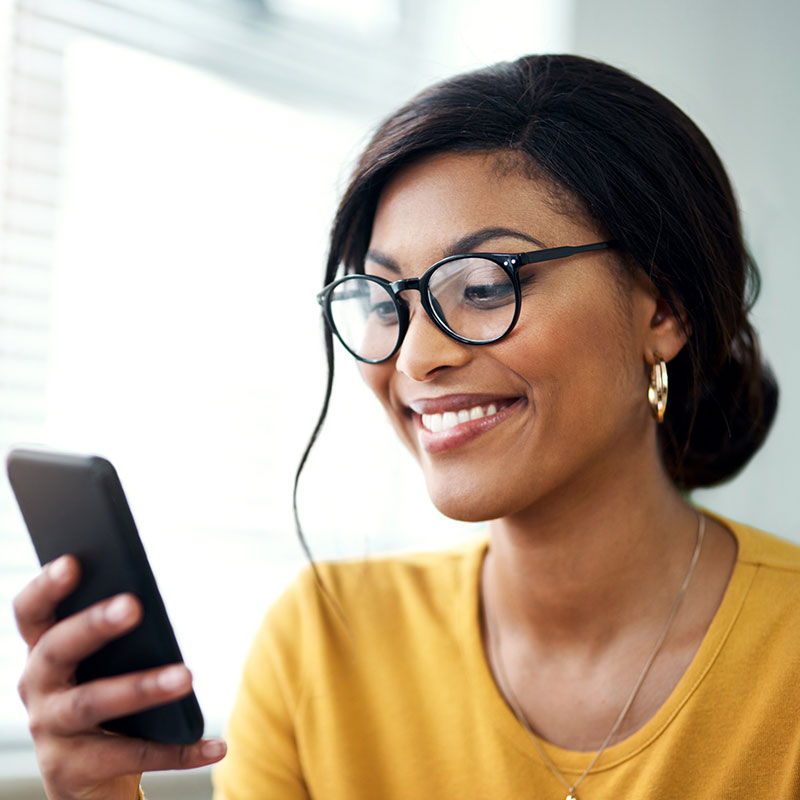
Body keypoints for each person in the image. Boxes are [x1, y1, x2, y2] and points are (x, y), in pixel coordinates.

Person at [12, 54, 795, 800]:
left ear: (665, 308)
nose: (417, 358)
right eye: (386, 301)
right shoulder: (324, 641)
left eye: (486, 287)